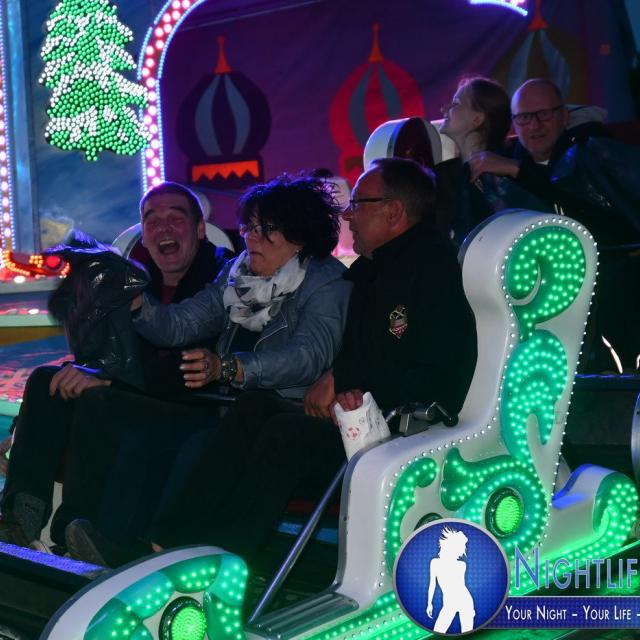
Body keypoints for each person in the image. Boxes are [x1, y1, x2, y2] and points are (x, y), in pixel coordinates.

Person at [65, 158, 477, 568]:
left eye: (265, 230)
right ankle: (158, 549)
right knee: (237, 409)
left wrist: (244, 369)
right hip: (280, 408)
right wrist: (137, 303)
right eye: (248, 228)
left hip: (393, 430)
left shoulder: (391, 273)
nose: (349, 215)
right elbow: (181, 323)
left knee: (266, 434)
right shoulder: (257, 275)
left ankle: (224, 567)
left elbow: (318, 357)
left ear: (393, 211)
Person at [0, 181, 232, 548]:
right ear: (144, 234)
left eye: (176, 218)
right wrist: (20, 428)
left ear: (200, 229)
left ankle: (75, 530)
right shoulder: (133, 280)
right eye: (152, 221)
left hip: (194, 405)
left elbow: (194, 369)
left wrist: (110, 382)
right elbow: (96, 353)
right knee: (47, 379)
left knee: (99, 400)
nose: (164, 228)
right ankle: (20, 518)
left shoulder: (223, 279)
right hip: (134, 395)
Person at [467, 78, 640, 370]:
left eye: (544, 114)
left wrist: (518, 171)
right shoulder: (501, 169)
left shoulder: (591, 150)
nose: (535, 125)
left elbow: (585, 206)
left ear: (564, 117)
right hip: (538, 312)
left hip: (611, 294)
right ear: (513, 124)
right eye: (524, 118)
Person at [434, 76, 512, 243]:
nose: (444, 109)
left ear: (477, 119)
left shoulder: (508, 173)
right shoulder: (440, 175)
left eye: (455, 104)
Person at [426, 527, 475, 633]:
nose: (461, 551)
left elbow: (461, 586)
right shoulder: (435, 563)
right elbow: (432, 584)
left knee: (468, 633)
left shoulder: (461, 565)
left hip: (464, 601)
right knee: (438, 630)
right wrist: (429, 603)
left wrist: (471, 609)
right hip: (449, 603)